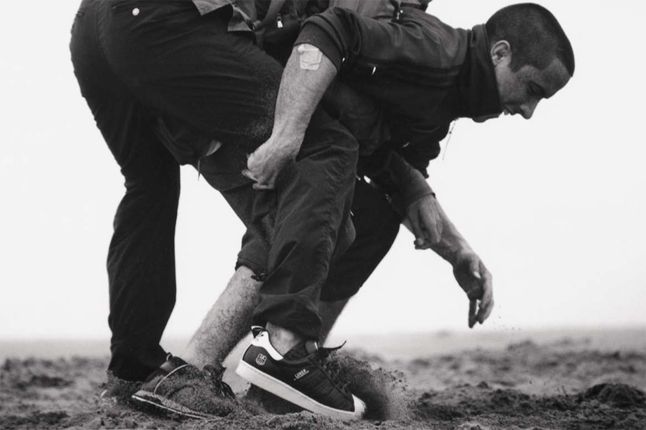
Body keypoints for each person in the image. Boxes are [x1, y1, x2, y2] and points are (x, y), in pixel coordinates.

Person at [124, 0, 575, 420]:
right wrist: (287, 135)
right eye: (532, 89)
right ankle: (202, 368)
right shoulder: (436, 50)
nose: (529, 111)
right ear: (500, 53)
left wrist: (457, 251)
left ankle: (285, 376)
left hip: (294, 116)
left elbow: (397, 175)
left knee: (372, 219)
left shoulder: (446, 96)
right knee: (315, 193)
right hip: (238, 86)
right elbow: (329, 30)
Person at [70, 0, 374, 420]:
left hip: (95, 25)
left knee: (149, 185)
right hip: (161, 17)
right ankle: (282, 350)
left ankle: (132, 369)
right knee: (324, 145)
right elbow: (320, 36)